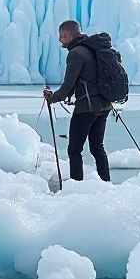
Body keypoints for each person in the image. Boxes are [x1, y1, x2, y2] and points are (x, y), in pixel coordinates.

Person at [43, 20, 112, 182]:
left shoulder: (75, 54)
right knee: (97, 148)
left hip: (87, 108)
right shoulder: (92, 49)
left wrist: (53, 98)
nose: (60, 40)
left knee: (74, 150)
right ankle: (106, 183)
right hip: (105, 106)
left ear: (67, 35)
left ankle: (76, 186)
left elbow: (68, 85)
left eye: (60, 37)